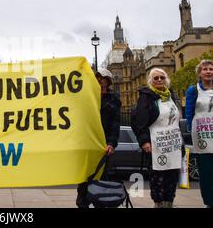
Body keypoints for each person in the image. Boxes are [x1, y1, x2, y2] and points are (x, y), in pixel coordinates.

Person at [132, 68, 184, 208]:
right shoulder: (146, 97)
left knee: (172, 175)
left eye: (162, 77)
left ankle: (169, 202)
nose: (159, 80)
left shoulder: (171, 95)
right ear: (151, 81)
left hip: (173, 143)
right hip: (156, 144)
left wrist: (181, 143)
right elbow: (139, 121)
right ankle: (158, 203)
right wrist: (144, 141)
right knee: (158, 177)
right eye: (156, 78)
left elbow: (176, 121)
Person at [76, 68, 121, 208]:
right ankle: (82, 203)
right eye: (97, 78)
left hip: (103, 146)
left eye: (103, 79)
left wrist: (111, 143)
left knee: (101, 181)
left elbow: (115, 124)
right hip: (87, 145)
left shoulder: (114, 100)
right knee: (84, 181)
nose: (100, 81)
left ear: (108, 82)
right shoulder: (85, 97)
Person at [185, 59, 213, 208]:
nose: (208, 71)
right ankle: (209, 202)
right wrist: (191, 129)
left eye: (211, 69)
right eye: (205, 69)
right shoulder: (193, 90)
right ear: (200, 73)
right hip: (203, 136)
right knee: (206, 172)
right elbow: (189, 112)